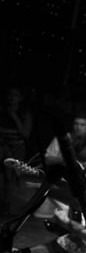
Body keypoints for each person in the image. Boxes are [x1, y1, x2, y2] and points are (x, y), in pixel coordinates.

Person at [0, 85, 34, 215]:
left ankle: (8, 206)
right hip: (2, 147)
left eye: (15, 95)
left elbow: (25, 133)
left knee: (12, 177)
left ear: (20, 98)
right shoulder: (2, 111)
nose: (11, 98)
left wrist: (14, 116)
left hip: (17, 149)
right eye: (10, 95)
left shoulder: (24, 114)